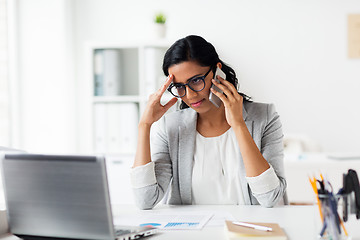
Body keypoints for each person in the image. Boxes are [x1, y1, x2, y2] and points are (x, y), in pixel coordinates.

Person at [131, 35, 287, 210]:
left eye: (196, 80)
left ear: (217, 71)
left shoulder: (264, 117)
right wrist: (144, 126)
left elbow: (270, 198)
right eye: (180, 86)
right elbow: (145, 200)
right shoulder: (171, 127)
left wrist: (238, 125)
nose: (189, 95)